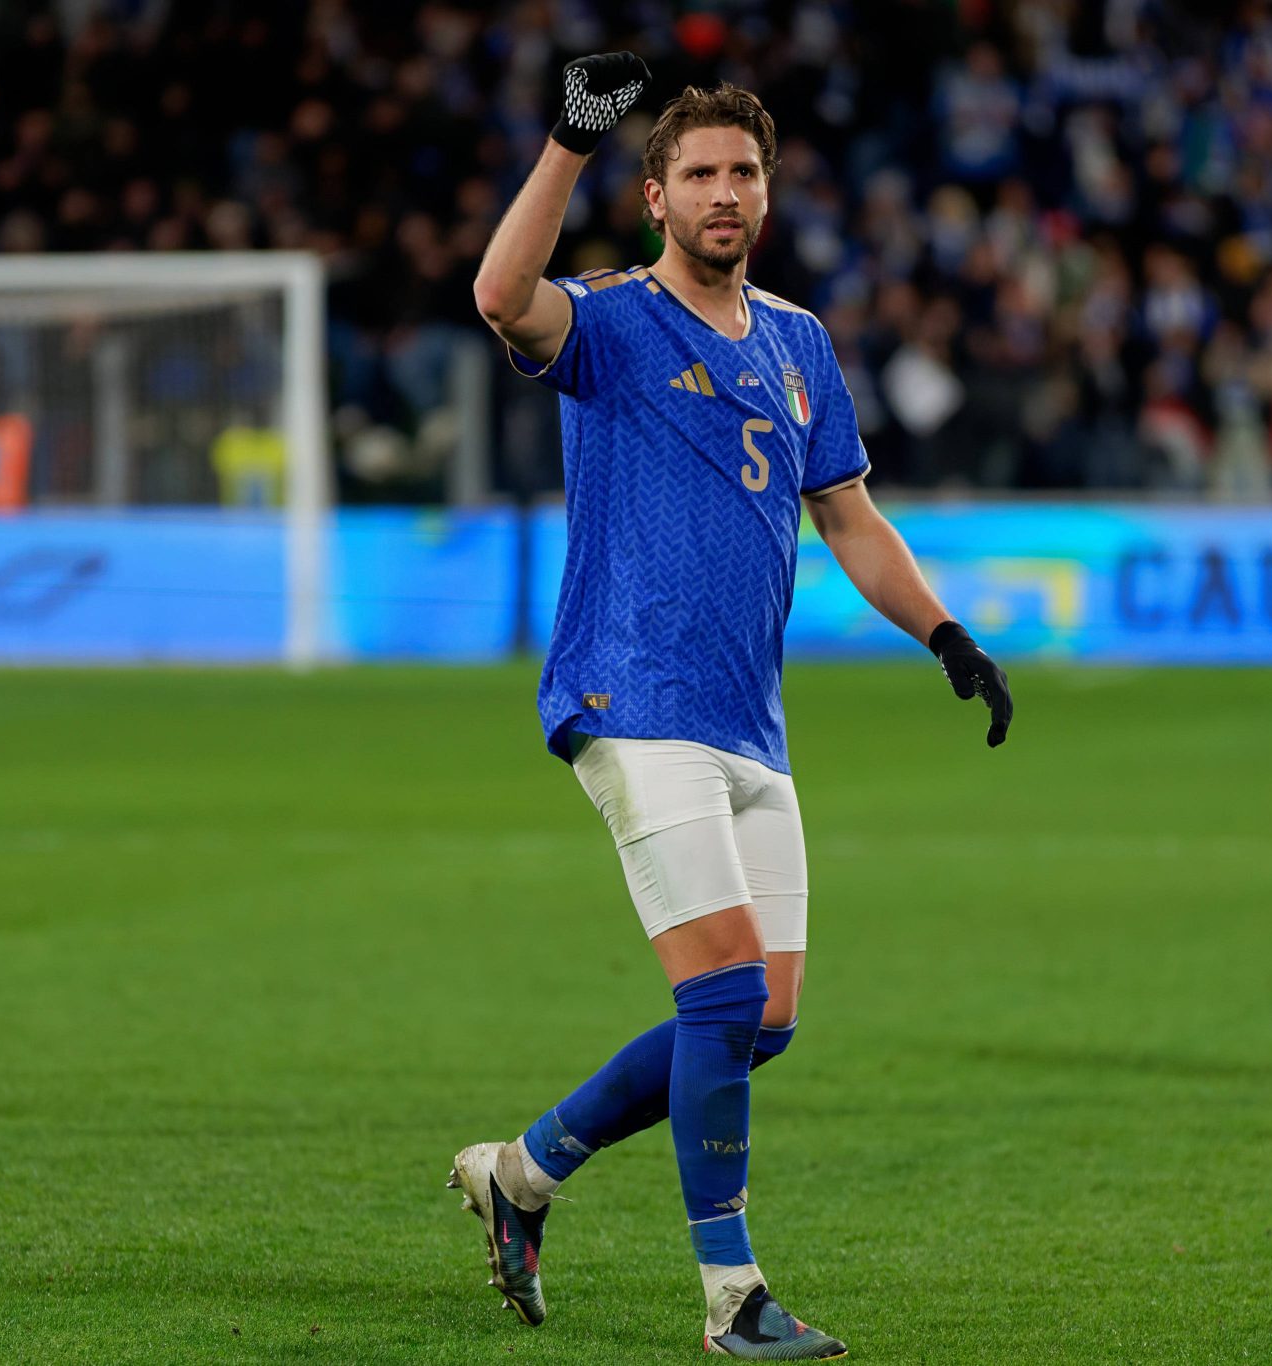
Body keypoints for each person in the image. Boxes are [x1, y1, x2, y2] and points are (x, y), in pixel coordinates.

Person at [450, 57, 1013, 1359]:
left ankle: (521, 1175)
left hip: (749, 720)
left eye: (742, 172)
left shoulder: (801, 342)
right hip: (629, 697)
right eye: (697, 172)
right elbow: (496, 296)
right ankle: (732, 1294)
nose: (723, 192)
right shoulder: (610, 320)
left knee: (766, 1017)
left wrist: (944, 633)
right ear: (655, 196)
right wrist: (567, 142)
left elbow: (850, 517)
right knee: (721, 999)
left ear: (767, 193)